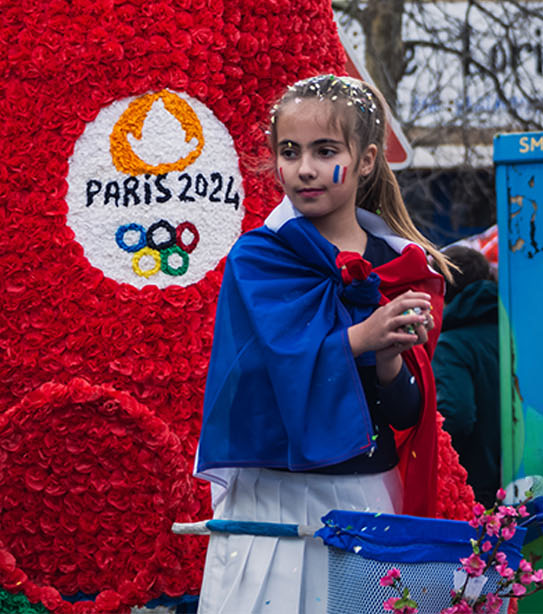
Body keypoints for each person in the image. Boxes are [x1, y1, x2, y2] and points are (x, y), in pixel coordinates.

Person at [193, 74, 456, 613]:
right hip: (273, 500)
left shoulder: (402, 267)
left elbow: (406, 411)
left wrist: (389, 360)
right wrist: (365, 335)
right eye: (290, 152)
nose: (305, 168)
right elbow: (267, 373)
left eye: (325, 150)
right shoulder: (259, 259)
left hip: (364, 496)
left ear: (366, 160)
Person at [434, 245, 502, 505]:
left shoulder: (450, 345)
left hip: (475, 486)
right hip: (522, 476)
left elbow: (456, 415)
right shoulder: (510, 332)